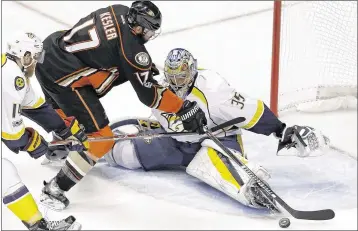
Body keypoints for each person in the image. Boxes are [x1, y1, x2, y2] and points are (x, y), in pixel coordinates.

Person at [103, 48, 330, 210]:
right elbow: (169, 122)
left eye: (181, 76)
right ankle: (89, 150)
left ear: (191, 71)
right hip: (177, 142)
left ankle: (249, 188)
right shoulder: (162, 89)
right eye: (171, 76)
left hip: (221, 137)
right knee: (124, 155)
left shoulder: (214, 89)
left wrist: (282, 130)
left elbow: (252, 111)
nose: (176, 82)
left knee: (211, 158)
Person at [35, 1, 207, 211]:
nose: (150, 36)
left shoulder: (120, 10)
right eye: (149, 31)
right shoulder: (133, 50)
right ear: (137, 28)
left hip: (49, 51)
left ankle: (60, 146)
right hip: (62, 77)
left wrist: (136, 69)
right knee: (100, 139)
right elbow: (149, 96)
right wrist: (181, 108)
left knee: (66, 114)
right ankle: (54, 189)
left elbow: (109, 48)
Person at [1, 32, 84, 230]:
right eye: (35, 58)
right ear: (25, 55)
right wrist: (33, 142)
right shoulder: (12, 78)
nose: (36, 63)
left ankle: (38, 226)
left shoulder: (13, 71)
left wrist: (66, 130)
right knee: (4, 173)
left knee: (5, 174)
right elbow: (12, 137)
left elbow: (37, 108)